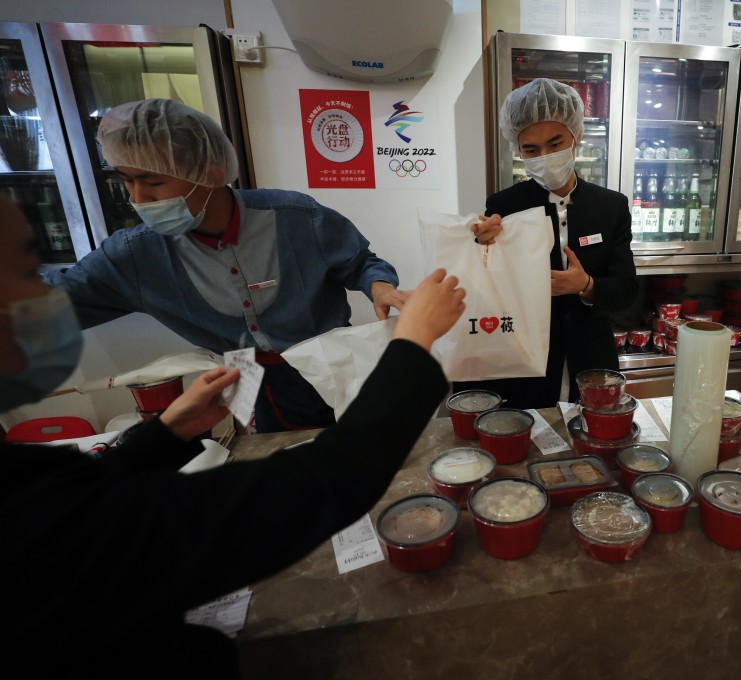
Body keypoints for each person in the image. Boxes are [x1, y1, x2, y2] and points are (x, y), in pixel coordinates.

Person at [0, 194, 465, 678]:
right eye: (32, 274)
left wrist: (165, 434)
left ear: (209, 171)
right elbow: (325, 479)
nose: (51, 297)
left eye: (39, 272)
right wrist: (413, 343)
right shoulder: (34, 527)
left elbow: (83, 497)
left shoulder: (296, 218)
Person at [43, 98, 408, 433]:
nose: (138, 198)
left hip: (333, 362)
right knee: (280, 466)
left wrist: (379, 286)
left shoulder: (295, 217)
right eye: (127, 181)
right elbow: (50, 302)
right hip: (248, 378)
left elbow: (359, 262)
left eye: (153, 181)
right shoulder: (135, 256)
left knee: (364, 449)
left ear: (210, 174)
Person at [455, 78, 638, 408]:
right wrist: (481, 244)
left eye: (555, 144)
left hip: (591, 358)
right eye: (531, 150)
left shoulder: (611, 206)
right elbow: (485, 285)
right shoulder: (505, 205)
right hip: (526, 357)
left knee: (590, 439)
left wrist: (587, 285)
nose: (545, 156)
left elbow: (626, 289)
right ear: (518, 149)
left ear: (576, 135)